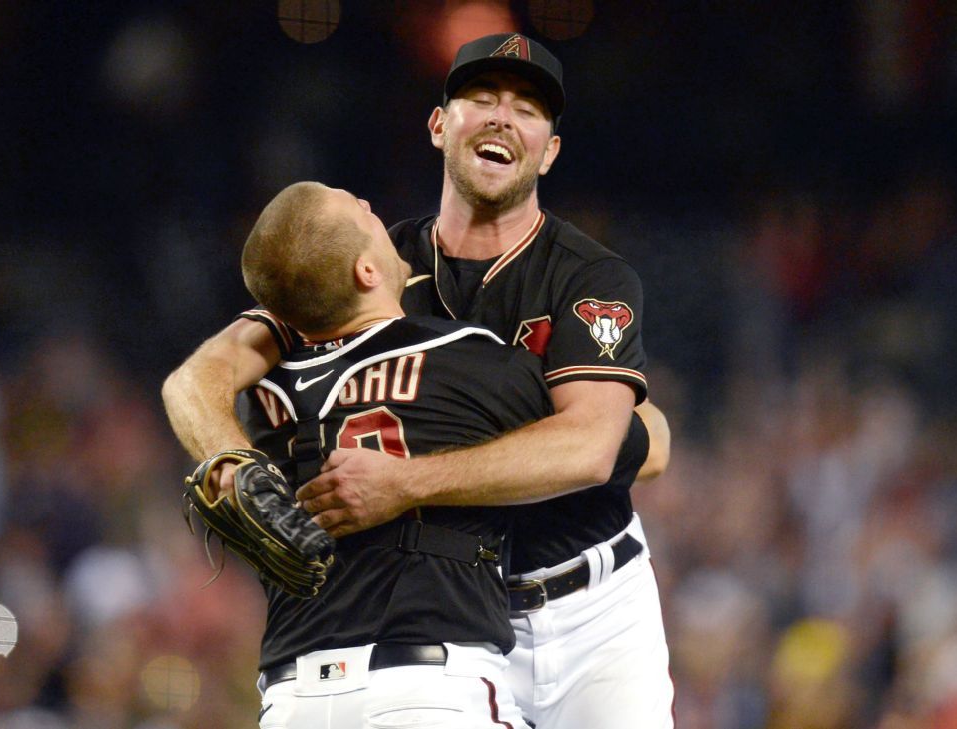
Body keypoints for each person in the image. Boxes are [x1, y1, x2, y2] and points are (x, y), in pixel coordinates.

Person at [162, 33, 676, 728]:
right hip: (451, 627)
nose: (502, 116)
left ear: (549, 150)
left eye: (527, 108)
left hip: (591, 609)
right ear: (439, 125)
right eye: (482, 98)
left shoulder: (587, 276)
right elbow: (198, 378)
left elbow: (594, 448)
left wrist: (407, 482)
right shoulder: (366, 260)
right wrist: (231, 457)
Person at [227, 180, 546, 728]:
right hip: (428, 689)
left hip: (293, 700)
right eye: (360, 210)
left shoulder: (260, 399)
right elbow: (619, 445)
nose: (373, 205)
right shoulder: (466, 359)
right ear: (366, 273)